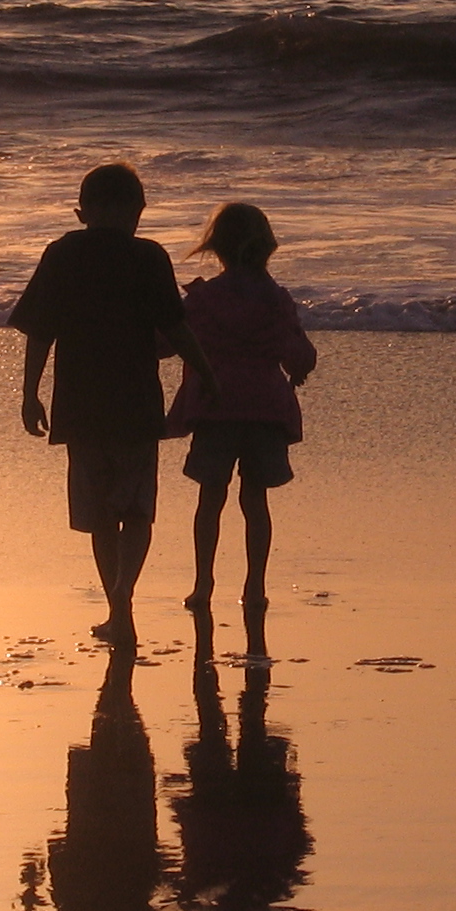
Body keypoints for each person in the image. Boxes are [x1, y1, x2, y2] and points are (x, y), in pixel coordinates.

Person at [10, 162, 219, 646]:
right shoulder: (148, 256)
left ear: (81, 212)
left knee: (100, 515)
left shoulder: (62, 253)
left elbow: (40, 332)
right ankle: (125, 593)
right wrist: (207, 373)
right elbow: (176, 328)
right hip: (136, 404)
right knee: (138, 509)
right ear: (138, 211)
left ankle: (116, 607)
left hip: (80, 405)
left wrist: (29, 393)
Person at [165, 202, 317, 613]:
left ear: (216, 247)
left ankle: (203, 584)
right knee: (256, 500)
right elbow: (300, 355)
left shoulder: (206, 298)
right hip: (265, 409)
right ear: (267, 246)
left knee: (210, 498)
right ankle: (254, 586)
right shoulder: (276, 300)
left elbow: (174, 340)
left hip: (216, 406)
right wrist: (298, 370)